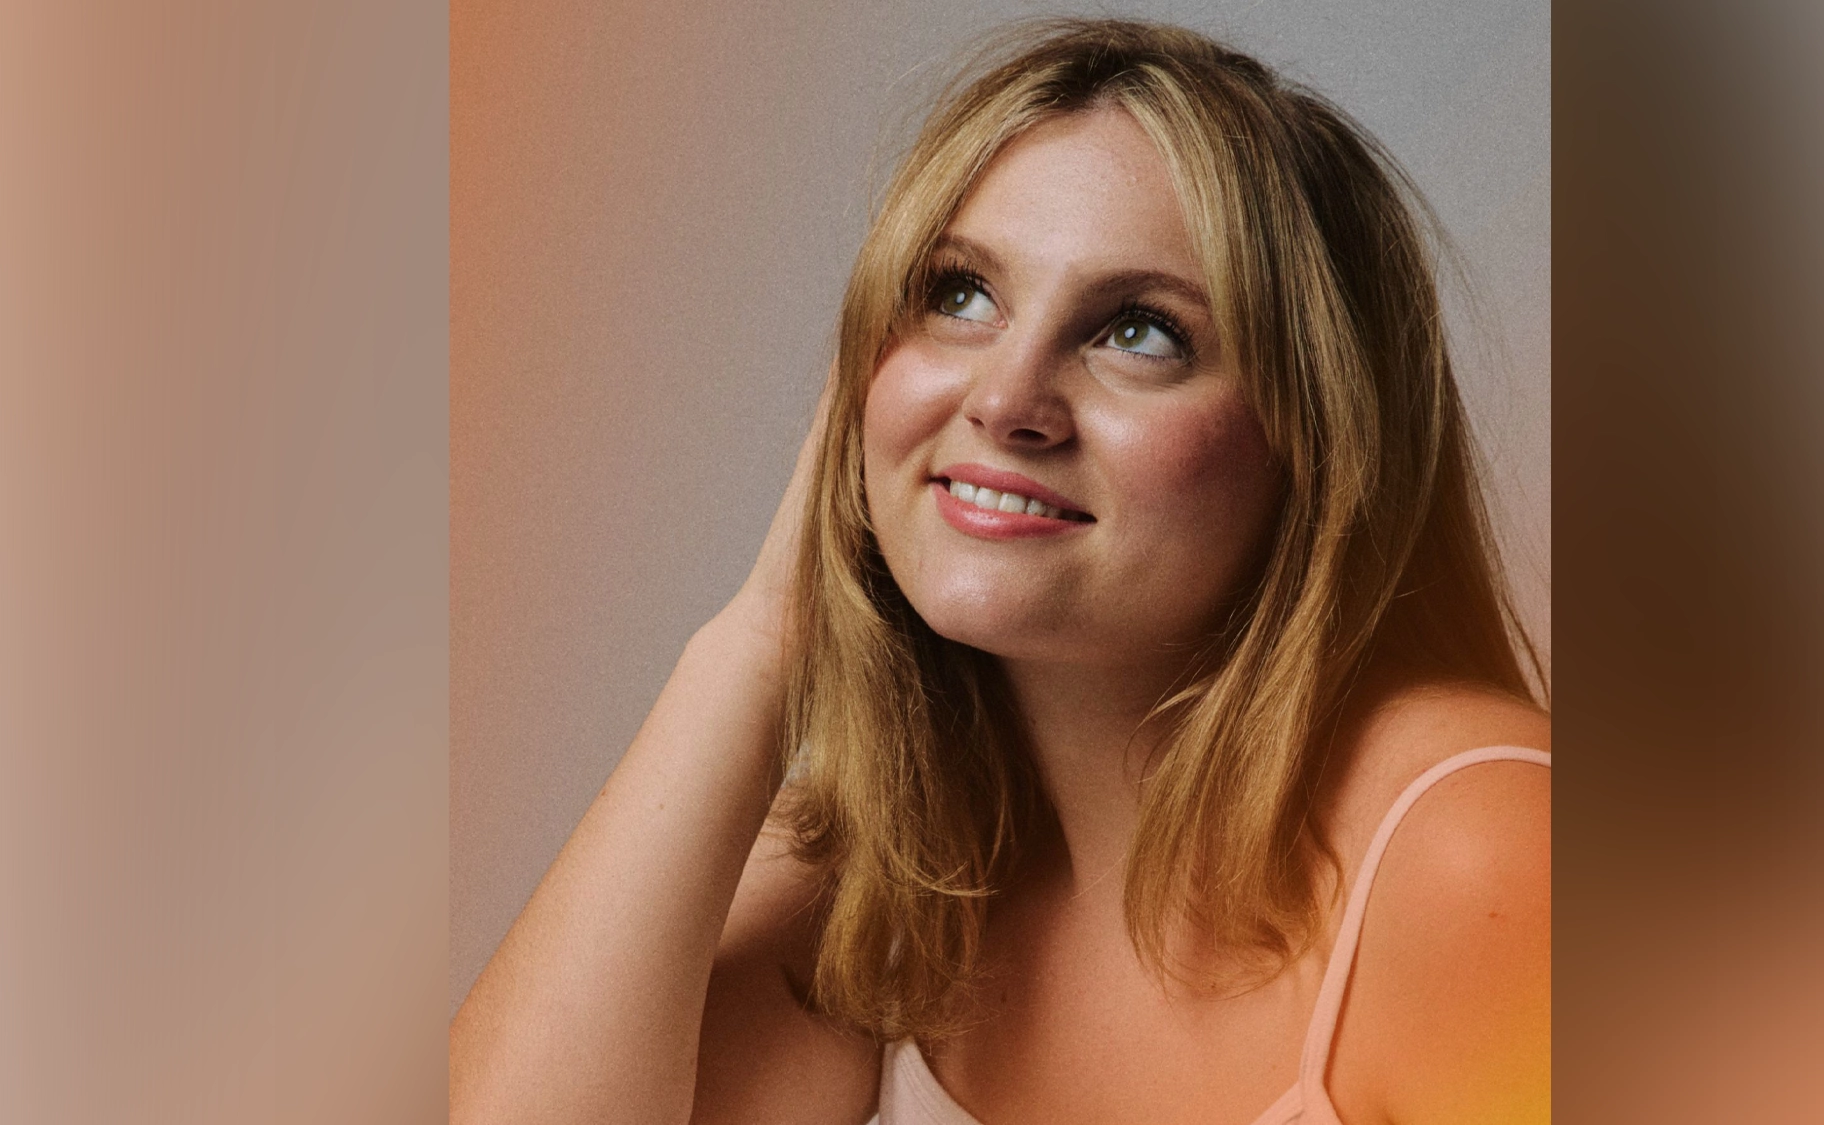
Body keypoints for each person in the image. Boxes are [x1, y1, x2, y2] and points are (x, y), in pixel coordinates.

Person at [450, 19, 1550, 1125]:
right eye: (958, 296)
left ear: (1317, 445)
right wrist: (768, 634)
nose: (1003, 399)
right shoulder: (886, 879)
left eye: (1139, 331)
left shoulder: (1476, 858)